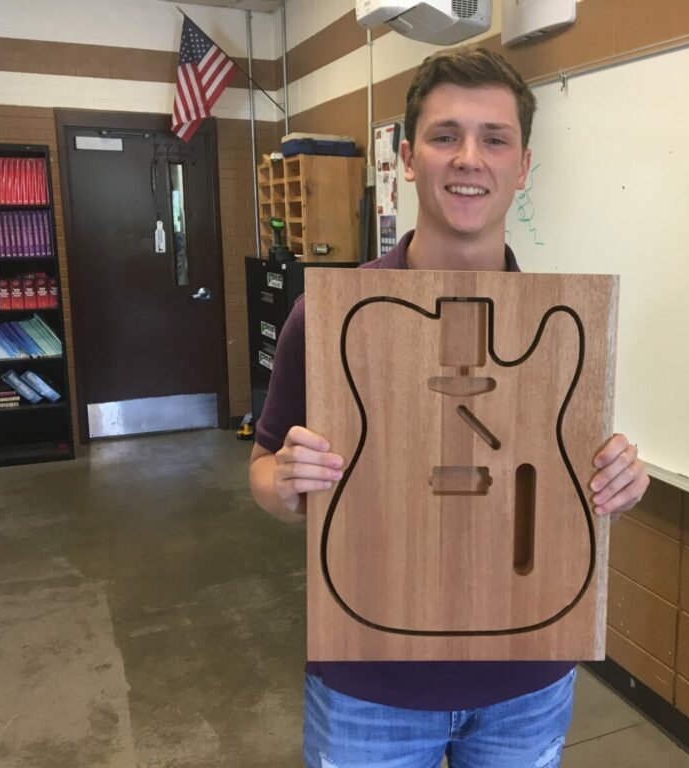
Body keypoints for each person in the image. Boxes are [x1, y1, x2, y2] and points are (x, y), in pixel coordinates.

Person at [249, 46, 650, 768]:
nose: (470, 158)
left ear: (523, 166)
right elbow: (263, 470)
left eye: (495, 139)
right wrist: (283, 482)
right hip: (370, 678)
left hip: (527, 674)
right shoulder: (331, 317)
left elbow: (566, 475)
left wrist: (617, 477)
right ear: (407, 157)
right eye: (445, 136)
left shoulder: (565, 328)